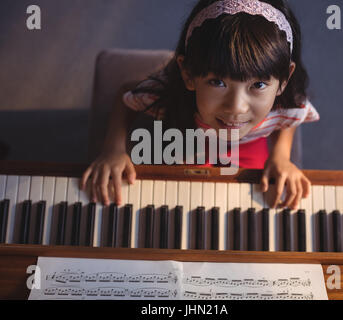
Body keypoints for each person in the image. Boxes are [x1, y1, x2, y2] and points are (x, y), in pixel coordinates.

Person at [81, 0, 320, 210]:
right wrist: (113, 149)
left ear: (284, 81)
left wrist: (280, 156)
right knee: (181, 199)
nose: (236, 108)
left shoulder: (286, 101)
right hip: (188, 139)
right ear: (188, 74)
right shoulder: (168, 94)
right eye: (217, 82)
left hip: (250, 146)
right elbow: (127, 95)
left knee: (257, 199)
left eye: (257, 85)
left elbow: (288, 118)